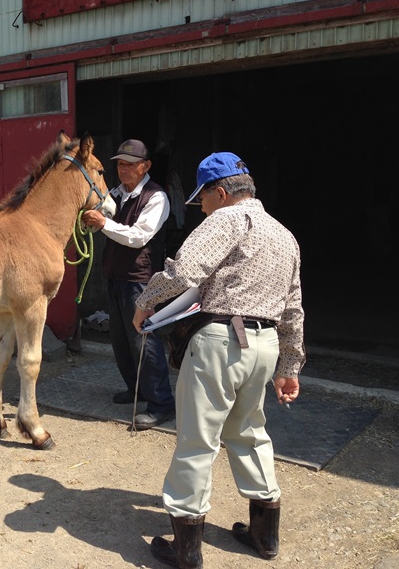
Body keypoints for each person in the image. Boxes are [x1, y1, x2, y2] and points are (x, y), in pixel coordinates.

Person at [131, 152, 305, 568]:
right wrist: (289, 367)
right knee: (249, 431)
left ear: (221, 192)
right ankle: (265, 535)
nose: (201, 208)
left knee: (197, 439)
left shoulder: (226, 220)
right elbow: (294, 307)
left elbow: (184, 270)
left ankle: (187, 548)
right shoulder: (284, 234)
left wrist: (146, 303)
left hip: (221, 341)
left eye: (202, 200)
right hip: (264, 345)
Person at [82, 139, 175, 430]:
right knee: (120, 340)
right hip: (115, 274)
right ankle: (136, 390)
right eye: (120, 164)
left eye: (130, 165)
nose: (123, 170)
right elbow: (101, 213)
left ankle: (161, 403)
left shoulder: (156, 197)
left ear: (145, 166)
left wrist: (103, 224)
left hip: (139, 280)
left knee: (143, 341)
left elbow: (138, 236)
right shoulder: (116, 194)